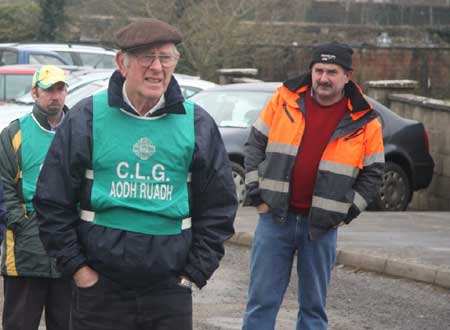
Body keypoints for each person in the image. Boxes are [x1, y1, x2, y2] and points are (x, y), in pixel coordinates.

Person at [33, 18, 237, 330]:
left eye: (166, 58)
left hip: (170, 292)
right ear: (122, 63)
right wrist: (78, 270)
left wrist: (193, 274)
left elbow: (219, 207)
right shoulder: (87, 118)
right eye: (147, 57)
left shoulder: (197, 124)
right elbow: (51, 200)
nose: (157, 68)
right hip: (98, 291)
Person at [242, 41, 385, 330]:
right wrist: (257, 194)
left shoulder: (365, 119)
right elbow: (255, 144)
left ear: (347, 76)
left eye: (332, 71)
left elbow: (374, 173)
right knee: (261, 303)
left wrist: (346, 211)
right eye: (318, 70)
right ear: (311, 71)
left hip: (320, 229)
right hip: (275, 220)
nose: (323, 78)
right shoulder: (284, 99)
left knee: (313, 309)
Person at [0, 65, 71, 330]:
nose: (55, 95)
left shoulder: (80, 131)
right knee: (20, 324)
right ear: (34, 92)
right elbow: (3, 186)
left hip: (70, 252)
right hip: (26, 251)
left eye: (60, 89)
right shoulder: (14, 133)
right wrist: (21, 224)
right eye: (48, 89)